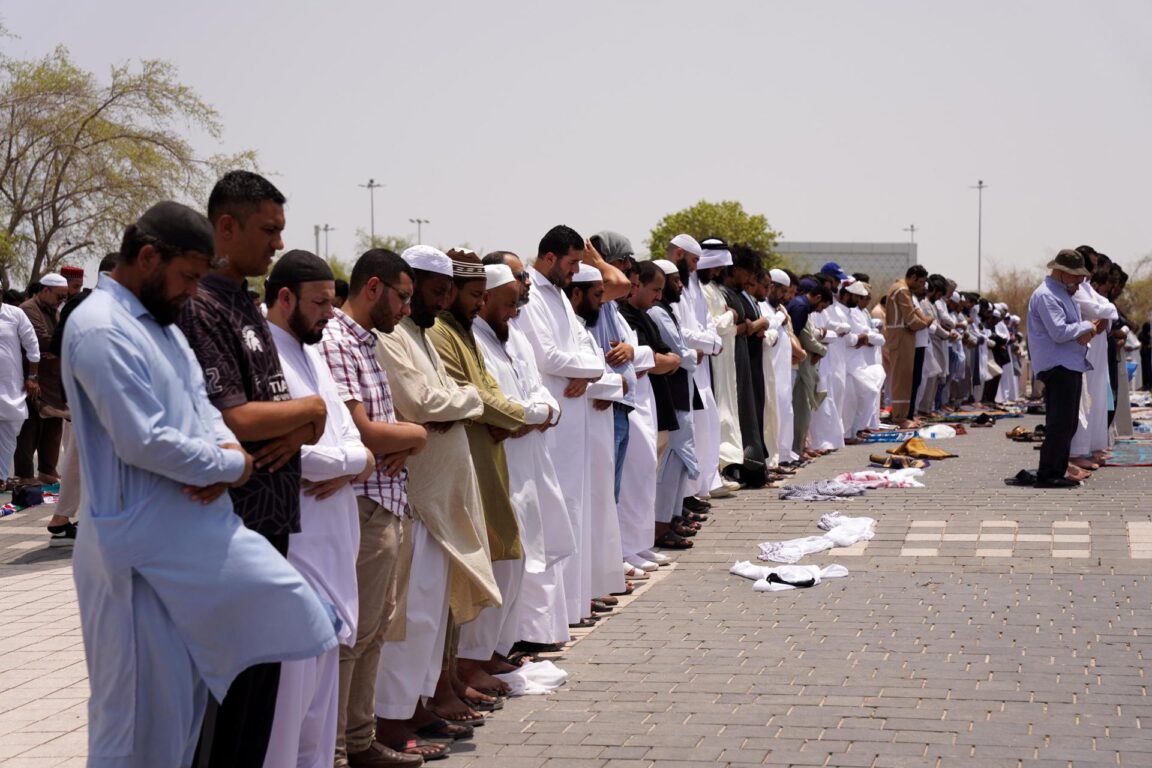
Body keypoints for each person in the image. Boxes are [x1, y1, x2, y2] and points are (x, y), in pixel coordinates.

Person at [62, 201, 337, 767]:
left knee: (180, 717)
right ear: (146, 258)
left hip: (187, 542)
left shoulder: (162, 329)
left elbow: (204, 409)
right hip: (132, 555)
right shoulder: (100, 329)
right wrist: (230, 467)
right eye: (188, 277)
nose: (193, 292)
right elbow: (145, 440)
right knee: (132, 720)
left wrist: (226, 452)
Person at [178, 171, 330, 767]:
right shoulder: (202, 306)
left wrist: (299, 423)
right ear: (226, 226)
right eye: (267, 230)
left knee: (261, 689)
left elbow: (286, 415)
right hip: (230, 527)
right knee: (229, 699)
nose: (275, 244)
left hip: (271, 522)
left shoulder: (244, 301)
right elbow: (236, 417)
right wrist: (310, 411)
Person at [372, 244, 498, 757]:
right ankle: (390, 718)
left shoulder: (425, 335)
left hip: (443, 496)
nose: (444, 299)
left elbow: (460, 396)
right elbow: (422, 404)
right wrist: (458, 404)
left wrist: (458, 404)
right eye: (437, 289)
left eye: (450, 290)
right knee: (410, 616)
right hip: (417, 498)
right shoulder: (394, 337)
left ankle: (418, 702)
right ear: (412, 283)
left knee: (431, 615)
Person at [263, 251, 375, 768]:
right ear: (285, 298)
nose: (331, 313)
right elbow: (281, 456)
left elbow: (360, 446)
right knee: (287, 718)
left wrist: (348, 462)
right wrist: (346, 462)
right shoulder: (265, 357)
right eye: (321, 303)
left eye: (333, 302)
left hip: (336, 553)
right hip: (296, 553)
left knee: (318, 716)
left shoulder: (315, 353)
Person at [320, 248, 428, 768]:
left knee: (374, 630)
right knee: (353, 634)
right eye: (402, 297)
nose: (406, 309)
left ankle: (359, 742)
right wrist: (418, 434)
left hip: (387, 501)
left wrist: (403, 441)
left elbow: (383, 435)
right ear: (373, 288)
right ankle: (338, 751)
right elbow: (363, 432)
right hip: (363, 507)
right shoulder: (338, 340)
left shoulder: (367, 343)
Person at [427, 249, 531, 692]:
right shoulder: (440, 332)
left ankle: (474, 660)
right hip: (461, 455)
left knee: (503, 554)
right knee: (471, 564)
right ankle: (461, 670)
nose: (475, 303)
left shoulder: (464, 331)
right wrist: (520, 416)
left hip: (485, 452)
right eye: (471, 295)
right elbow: (471, 395)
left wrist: (510, 415)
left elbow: (484, 390)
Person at [479, 251, 577, 649]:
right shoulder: (475, 339)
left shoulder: (513, 334)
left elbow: (539, 389)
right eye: (505, 304)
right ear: (483, 301)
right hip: (504, 460)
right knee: (510, 556)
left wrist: (542, 412)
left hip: (532, 452)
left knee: (532, 553)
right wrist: (530, 414)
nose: (513, 310)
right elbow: (495, 401)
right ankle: (502, 647)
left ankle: (517, 641)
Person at [516, 226, 611, 629]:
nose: (577, 272)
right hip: (551, 421)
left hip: (576, 421)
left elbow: (590, 353)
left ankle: (573, 607)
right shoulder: (533, 295)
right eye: (573, 263)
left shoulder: (557, 295)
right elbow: (550, 357)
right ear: (550, 258)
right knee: (555, 517)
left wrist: (590, 371)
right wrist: (591, 370)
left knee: (576, 509)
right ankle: (549, 620)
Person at [46, 253, 120, 545]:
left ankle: (63, 518)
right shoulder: (86, 303)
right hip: (88, 395)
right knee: (87, 456)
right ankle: (75, 519)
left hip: (93, 395)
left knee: (79, 456)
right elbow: (59, 344)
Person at [1026, 249, 1103, 489]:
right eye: (1075, 275)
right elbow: (1059, 332)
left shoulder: (1063, 293)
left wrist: (1084, 329)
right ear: (1060, 272)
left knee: (1068, 422)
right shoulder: (1048, 295)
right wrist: (1087, 325)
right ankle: (1049, 473)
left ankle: (1056, 469)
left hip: (1069, 364)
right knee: (1060, 422)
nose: (1080, 280)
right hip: (1057, 365)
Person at [15, 273, 69, 484]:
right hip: (33, 378)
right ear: (45, 291)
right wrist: (57, 348)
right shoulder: (28, 309)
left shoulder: (53, 311)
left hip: (52, 381)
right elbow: (43, 340)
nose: (61, 301)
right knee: (30, 429)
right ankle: (25, 475)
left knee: (53, 427)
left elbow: (58, 340)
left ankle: (47, 471)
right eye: (59, 296)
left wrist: (56, 349)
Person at [884, 265, 931, 428]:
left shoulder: (902, 289)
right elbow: (911, 321)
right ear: (912, 277)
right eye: (921, 282)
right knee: (901, 381)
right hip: (901, 338)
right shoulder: (902, 290)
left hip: (904, 338)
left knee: (905, 379)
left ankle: (903, 415)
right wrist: (926, 322)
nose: (921, 286)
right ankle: (899, 417)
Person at [0, 284, 39, 483]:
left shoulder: (14, 314)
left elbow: (32, 344)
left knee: (8, 433)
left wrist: (32, 377)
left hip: (9, 385)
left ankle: (1, 475)